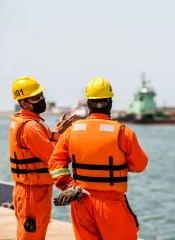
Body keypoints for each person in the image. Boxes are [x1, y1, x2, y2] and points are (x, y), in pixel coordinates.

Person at [48, 77, 148, 240]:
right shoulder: (123, 133)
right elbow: (140, 165)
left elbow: (55, 164)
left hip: (81, 200)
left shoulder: (71, 132)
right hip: (112, 205)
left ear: (88, 104)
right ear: (109, 103)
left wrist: (69, 186)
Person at [9, 76, 79, 240]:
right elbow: (53, 156)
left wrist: (56, 134)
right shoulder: (31, 127)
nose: (41, 99)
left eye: (41, 94)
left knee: (28, 234)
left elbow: (45, 147)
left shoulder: (24, 121)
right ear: (24, 102)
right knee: (32, 235)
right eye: (35, 97)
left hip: (30, 189)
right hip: (32, 193)